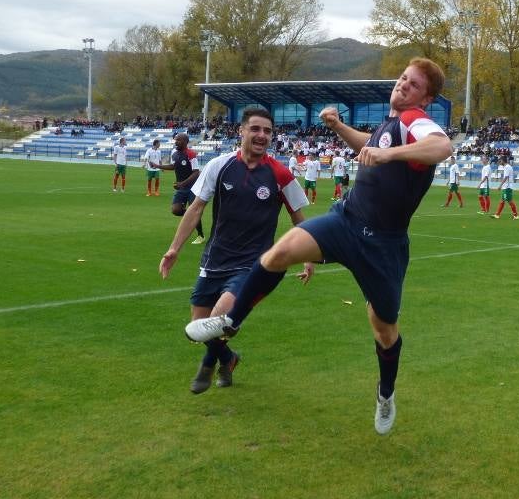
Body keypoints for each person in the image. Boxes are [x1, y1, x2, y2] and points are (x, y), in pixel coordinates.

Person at [183, 57, 452, 435]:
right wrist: (341, 127)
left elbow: (442, 146)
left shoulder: (413, 122)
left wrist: (388, 154)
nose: (403, 85)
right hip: (346, 220)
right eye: (403, 78)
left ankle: (386, 393)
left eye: (414, 85)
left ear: (425, 99)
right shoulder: (392, 124)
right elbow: (371, 145)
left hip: (382, 246)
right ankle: (230, 319)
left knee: (384, 327)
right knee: (279, 253)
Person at [159, 108, 314, 394]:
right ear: (241, 131)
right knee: (198, 325)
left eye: (267, 131)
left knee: (218, 321)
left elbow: (299, 220)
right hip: (215, 259)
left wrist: (307, 257)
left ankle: (207, 365)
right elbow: (195, 209)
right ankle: (228, 359)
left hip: (252, 265)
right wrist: (174, 249)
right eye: (255, 129)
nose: (262, 135)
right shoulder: (220, 165)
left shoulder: (281, 175)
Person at [158, 132, 205, 245]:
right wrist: (158, 166)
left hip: (193, 188)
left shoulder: (191, 154)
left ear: (185, 141)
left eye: (178, 140)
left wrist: (182, 183)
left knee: (193, 211)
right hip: (181, 187)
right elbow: (173, 166)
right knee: (176, 210)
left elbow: (196, 173)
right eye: (175, 140)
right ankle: (191, 215)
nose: (176, 142)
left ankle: (201, 235)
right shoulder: (175, 153)